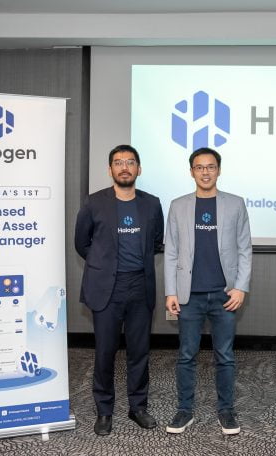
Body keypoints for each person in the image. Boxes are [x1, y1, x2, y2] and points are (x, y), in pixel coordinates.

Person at [74, 144, 164, 436]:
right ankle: (104, 410)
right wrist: (104, 264)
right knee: (105, 352)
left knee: (140, 352)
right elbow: (82, 243)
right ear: (110, 169)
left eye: (130, 162)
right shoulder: (94, 202)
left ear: (139, 168)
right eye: (118, 162)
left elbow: (156, 242)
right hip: (107, 289)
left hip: (140, 286)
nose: (124, 167)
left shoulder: (152, 204)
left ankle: (138, 407)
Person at [164, 147, 252, 435]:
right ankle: (184, 410)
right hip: (188, 296)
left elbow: (244, 248)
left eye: (211, 166)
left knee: (224, 356)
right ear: (191, 172)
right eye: (199, 167)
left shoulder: (235, 204)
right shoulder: (178, 205)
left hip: (225, 295)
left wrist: (240, 287)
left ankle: (226, 411)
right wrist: (170, 292)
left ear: (219, 170)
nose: (205, 172)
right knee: (186, 355)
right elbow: (171, 252)